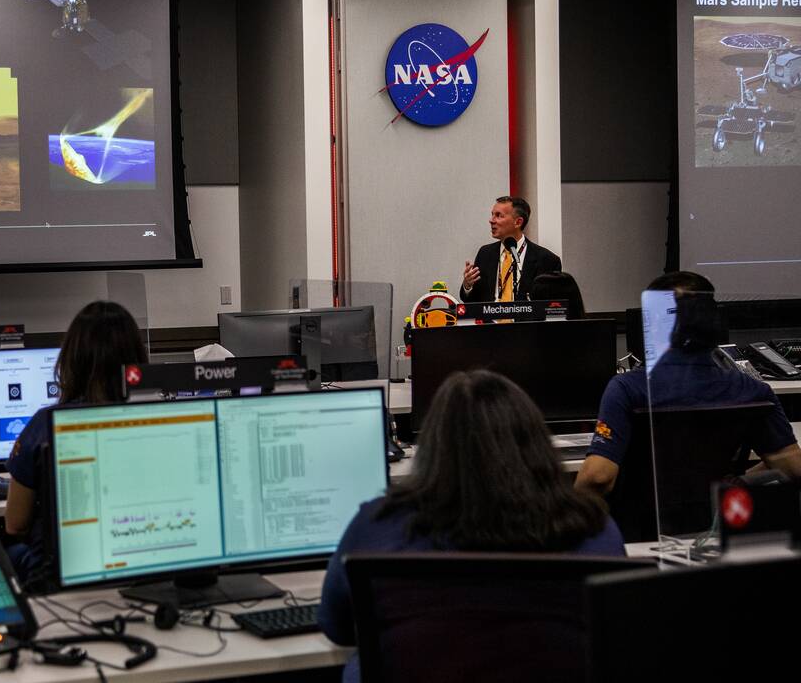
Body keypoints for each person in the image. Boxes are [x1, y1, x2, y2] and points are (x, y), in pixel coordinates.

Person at [319, 370, 623, 683]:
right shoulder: (595, 529)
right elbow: (616, 634)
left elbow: (336, 627)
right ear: (536, 442)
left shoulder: (378, 525)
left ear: (432, 449)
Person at [575, 271, 801, 496]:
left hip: (639, 528)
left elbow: (598, 477)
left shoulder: (627, 389)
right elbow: (792, 468)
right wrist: (731, 486)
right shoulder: (752, 390)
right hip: (715, 525)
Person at [4, 300, 147, 582]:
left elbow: (15, 523)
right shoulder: (161, 421)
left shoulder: (45, 425)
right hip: (139, 561)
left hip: (64, 573)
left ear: (71, 360)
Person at [460, 196, 562, 303]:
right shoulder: (485, 254)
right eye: (492, 215)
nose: (491, 220)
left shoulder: (547, 260)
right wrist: (468, 285)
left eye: (499, 216)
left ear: (518, 222)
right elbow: (472, 301)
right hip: (490, 319)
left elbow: (552, 306)